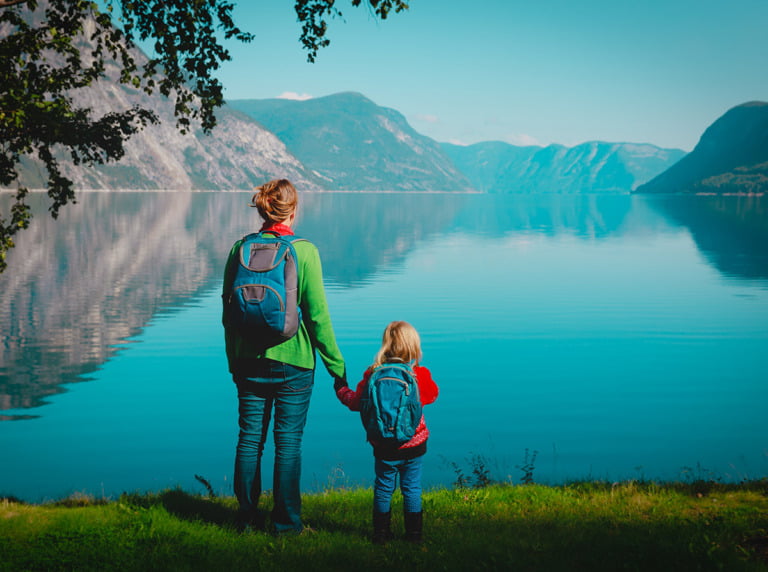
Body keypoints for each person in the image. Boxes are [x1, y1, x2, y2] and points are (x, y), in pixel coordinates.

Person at [223, 178, 346, 534]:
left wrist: (234, 361)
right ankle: (286, 524)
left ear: (263, 210)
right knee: (287, 444)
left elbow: (227, 315)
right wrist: (337, 367)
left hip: (247, 360)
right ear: (293, 211)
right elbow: (318, 316)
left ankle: (245, 519)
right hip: (295, 362)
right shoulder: (304, 250)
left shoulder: (239, 249)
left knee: (249, 439)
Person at [336, 320, 439, 544]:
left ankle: (380, 534)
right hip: (414, 444)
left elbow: (355, 403)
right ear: (413, 347)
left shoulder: (372, 374)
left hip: (383, 444)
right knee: (411, 488)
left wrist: (341, 389)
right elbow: (432, 395)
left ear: (385, 345)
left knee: (383, 488)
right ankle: (414, 535)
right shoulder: (418, 374)